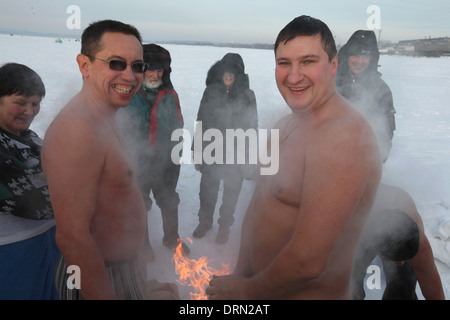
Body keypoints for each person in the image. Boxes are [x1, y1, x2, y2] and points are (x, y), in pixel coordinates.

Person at [206, 15, 382, 299]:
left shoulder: (344, 137)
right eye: (284, 63)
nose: (293, 76)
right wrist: (241, 273)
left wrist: (247, 290)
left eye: (308, 62)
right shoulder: (285, 125)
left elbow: (308, 261)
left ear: (334, 64)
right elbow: (258, 207)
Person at [42, 20, 151, 300]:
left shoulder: (104, 118)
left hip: (120, 272)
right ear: (84, 65)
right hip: (97, 277)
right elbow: (72, 238)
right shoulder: (77, 130)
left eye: (137, 66)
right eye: (116, 63)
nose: (130, 76)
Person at [118, 44, 189, 255]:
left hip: (164, 160)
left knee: (169, 201)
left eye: (161, 71)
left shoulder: (170, 94)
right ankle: (143, 244)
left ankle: (171, 239)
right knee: (140, 204)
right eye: (152, 69)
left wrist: (175, 160)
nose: (157, 74)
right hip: (136, 160)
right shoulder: (127, 94)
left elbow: (178, 126)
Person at [0, 63, 59, 299]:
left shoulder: (30, 137)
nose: (30, 111)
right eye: (20, 103)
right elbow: (37, 205)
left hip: (49, 245)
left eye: (35, 103)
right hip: (13, 252)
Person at [192, 53, 258, 244]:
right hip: (212, 150)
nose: (228, 76)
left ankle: (224, 227)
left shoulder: (248, 95)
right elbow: (200, 121)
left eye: (232, 73)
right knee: (207, 191)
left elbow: (252, 127)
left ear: (238, 74)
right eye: (225, 72)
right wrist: (197, 151)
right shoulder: (210, 92)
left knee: (231, 193)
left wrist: (248, 158)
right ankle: (205, 222)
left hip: (236, 152)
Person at [351, 183, 445, 300]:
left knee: (404, 283)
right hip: (358, 226)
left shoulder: (417, 240)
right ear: (379, 251)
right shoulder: (351, 223)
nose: (400, 263)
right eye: (394, 259)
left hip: (385, 217)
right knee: (348, 285)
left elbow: (430, 281)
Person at [336, 30, 396, 163]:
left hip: (362, 160)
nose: (359, 61)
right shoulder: (330, 82)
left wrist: (374, 161)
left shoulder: (381, 90)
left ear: (372, 59)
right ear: (346, 56)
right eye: (355, 56)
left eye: (365, 56)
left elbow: (386, 132)